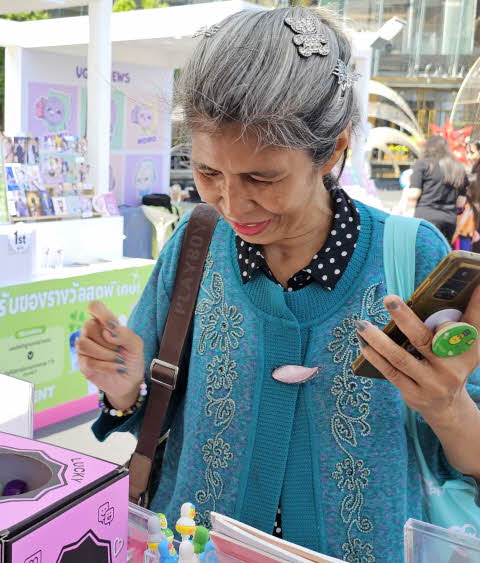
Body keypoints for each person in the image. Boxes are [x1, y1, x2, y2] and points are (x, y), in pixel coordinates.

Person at [77, 8, 480, 562]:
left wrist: (448, 405)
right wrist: (123, 389)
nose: (233, 204)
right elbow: (152, 408)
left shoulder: (414, 256)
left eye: (262, 178)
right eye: (207, 173)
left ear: (332, 150)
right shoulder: (195, 244)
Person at [407, 135, 469, 241]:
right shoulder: (458, 168)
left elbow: (414, 194)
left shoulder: (423, 164)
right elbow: (460, 203)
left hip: (425, 218)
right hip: (449, 220)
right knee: (443, 251)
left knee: (423, 250)